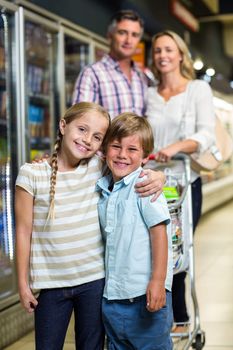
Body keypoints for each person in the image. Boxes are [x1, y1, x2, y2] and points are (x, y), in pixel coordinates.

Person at [15, 102, 167, 350]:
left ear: (102, 145)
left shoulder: (98, 167)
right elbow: (23, 232)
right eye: (82, 129)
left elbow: (131, 164)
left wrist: (159, 175)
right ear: (63, 126)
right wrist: (23, 283)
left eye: (97, 137)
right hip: (51, 284)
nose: (87, 140)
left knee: (92, 346)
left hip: (95, 282)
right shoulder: (32, 174)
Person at [145, 30, 216, 332]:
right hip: (151, 182)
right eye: (158, 50)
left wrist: (176, 147)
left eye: (169, 50)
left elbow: (206, 134)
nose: (163, 55)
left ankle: (181, 316)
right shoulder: (148, 93)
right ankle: (156, 316)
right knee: (152, 247)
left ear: (181, 55)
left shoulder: (197, 89)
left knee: (179, 246)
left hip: (184, 182)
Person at [96, 113, 173, 350]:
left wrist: (158, 282)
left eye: (132, 149)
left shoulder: (145, 186)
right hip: (113, 300)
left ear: (144, 157)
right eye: (116, 146)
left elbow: (159, 234)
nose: (122, 155)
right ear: (105, 149)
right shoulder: (104, 188)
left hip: (145, 297)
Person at [72, 9, 147, 119]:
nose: (128, 40)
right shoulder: (92, 74)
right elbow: (80, 122)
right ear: (109, 36)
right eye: (122, 33)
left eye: (134, 35)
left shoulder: (142, 78)